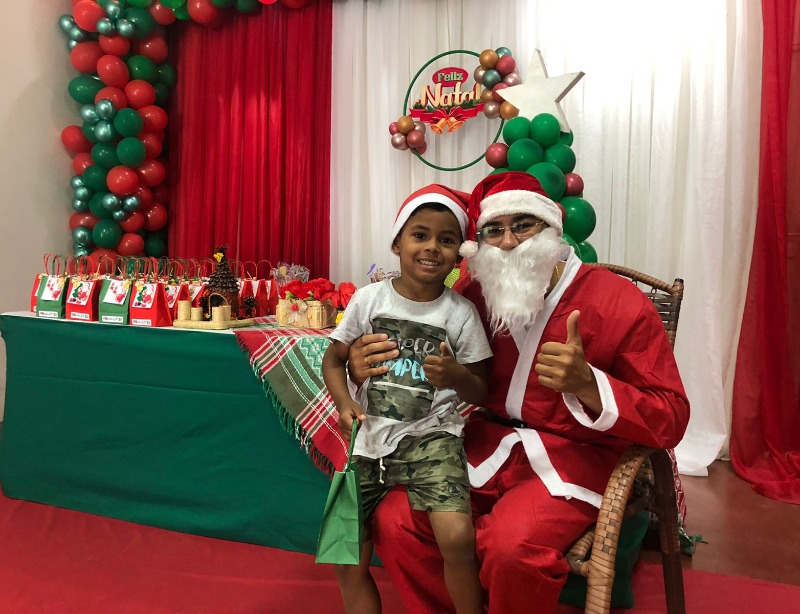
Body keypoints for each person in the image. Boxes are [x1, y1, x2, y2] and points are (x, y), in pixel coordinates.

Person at [348, 171, 690, 613]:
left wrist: (589, 384)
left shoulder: (618, 301)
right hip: (481, 445)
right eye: (493, 230)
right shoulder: (473, 294)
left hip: (575, 456)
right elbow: (420, 364)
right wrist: (359, 365)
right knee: (397, 520)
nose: (508, 242)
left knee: (512, 549)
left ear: (552, 229)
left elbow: (671, 417)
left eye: (523, 225)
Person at [322, 184, 494, 614]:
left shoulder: (461, 313)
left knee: (457, 537)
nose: (432, 246)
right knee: (346, 555)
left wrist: (456, 375)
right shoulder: (368, 300)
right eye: (420, 235)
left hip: (433, 438)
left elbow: (480, 387)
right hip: (369, 440)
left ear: (459, 255)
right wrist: (344, 403)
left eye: (447, 239)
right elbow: (334, 359)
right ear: (397, 244)